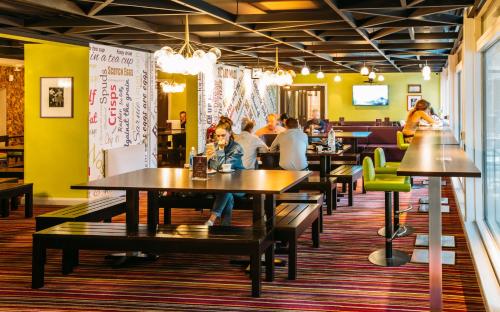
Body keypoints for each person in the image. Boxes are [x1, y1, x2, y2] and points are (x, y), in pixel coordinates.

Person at [205, 117, 245, 226]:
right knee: (228, 194)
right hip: (219, 185)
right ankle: (224, 229)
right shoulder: (213, 147)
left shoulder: (237, 148)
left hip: (239, 185)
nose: (220, 138)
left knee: (227, 189)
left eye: (223, 135)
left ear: (230, 133)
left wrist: (221, 151)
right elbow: (210, 167)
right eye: (217, 136)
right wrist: (206, 159)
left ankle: (212, 219)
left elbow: (223, 168)